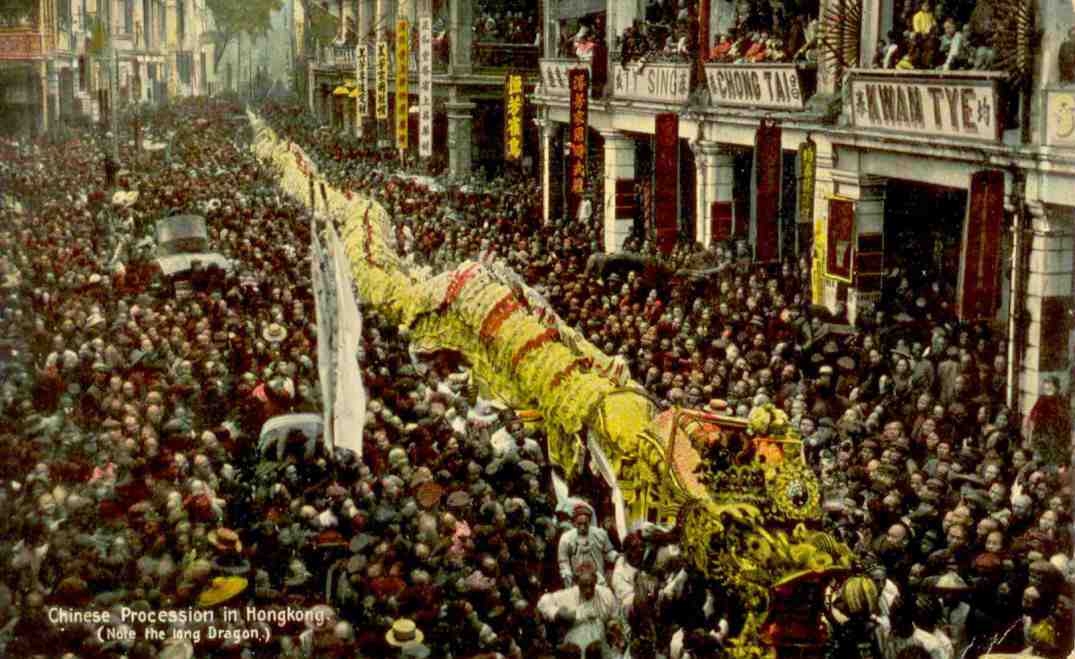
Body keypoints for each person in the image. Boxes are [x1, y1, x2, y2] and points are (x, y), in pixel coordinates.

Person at [537, 561, 624, 658]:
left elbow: (614, 617)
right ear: (577, 582)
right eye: (584, 586)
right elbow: (542, 602)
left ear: (595, 580)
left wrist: (613, 625)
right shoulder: (569, 595)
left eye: (591, 585)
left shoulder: (606, 594)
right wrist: (557, 613)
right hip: (575, 648)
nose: (588, 590)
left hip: (600, 647)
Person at [558, 504, 618, 587]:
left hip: (598, 578)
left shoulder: (600, 534)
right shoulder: (566, 538)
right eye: (579, 524)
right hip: (576, 580)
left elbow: (608, 552)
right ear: (574, 523)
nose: (582, 527)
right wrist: (567, 574)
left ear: (589, 522)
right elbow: (563, 561)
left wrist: (616, 557)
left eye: (585, 524)